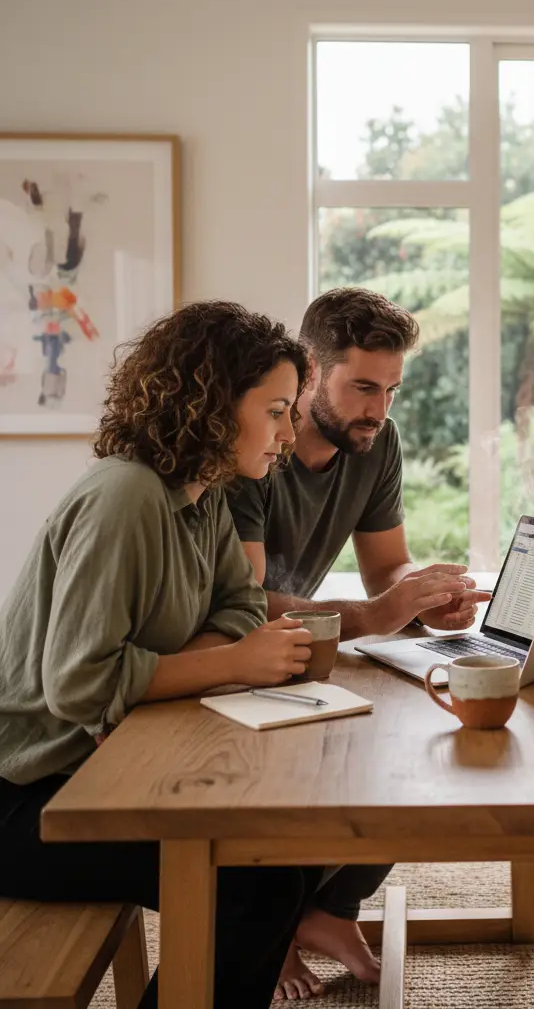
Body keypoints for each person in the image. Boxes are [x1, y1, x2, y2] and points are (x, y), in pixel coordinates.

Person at [0, 301, 321, 1009]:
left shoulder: (203, 492)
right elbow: (80, 685)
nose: (289, 434)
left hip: (92, 765)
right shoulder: (125, 498)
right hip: (23, 797)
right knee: (254, 883)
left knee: (290, 850)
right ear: (211, 402)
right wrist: (232, 665)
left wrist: (207, 661)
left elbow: (240, 606)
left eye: (291, 411)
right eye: (275, 411)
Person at [227, 287, 491, 1000]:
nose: (379, 410)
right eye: (364, 388)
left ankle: (328, 912)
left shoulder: (378, 443)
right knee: (307, 771)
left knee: (421, 743)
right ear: (309, 374)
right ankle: (268, 927)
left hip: (302, 651)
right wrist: (379, 615)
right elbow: (243, 606)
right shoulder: (253, 448)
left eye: (393, 389)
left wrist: (428, 600)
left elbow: (386, 567)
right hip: (230, 655)